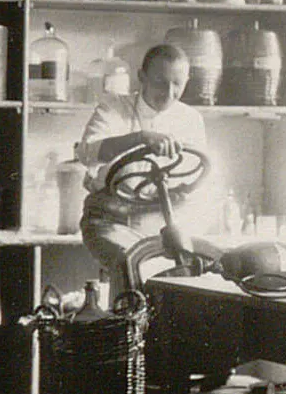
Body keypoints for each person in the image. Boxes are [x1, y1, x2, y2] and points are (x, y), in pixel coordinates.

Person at [74, 43, 210, 289]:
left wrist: (185, 193)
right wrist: (141, 138)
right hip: (110, 221)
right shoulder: (113, 108)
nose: (169, 93)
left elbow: (198, 179)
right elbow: (87, 152)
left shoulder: (191, 119)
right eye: (160, 82)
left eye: (177, 84)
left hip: (163, 224)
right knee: (129, 263)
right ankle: (127, 324)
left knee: (197, 267)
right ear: (141, 77)